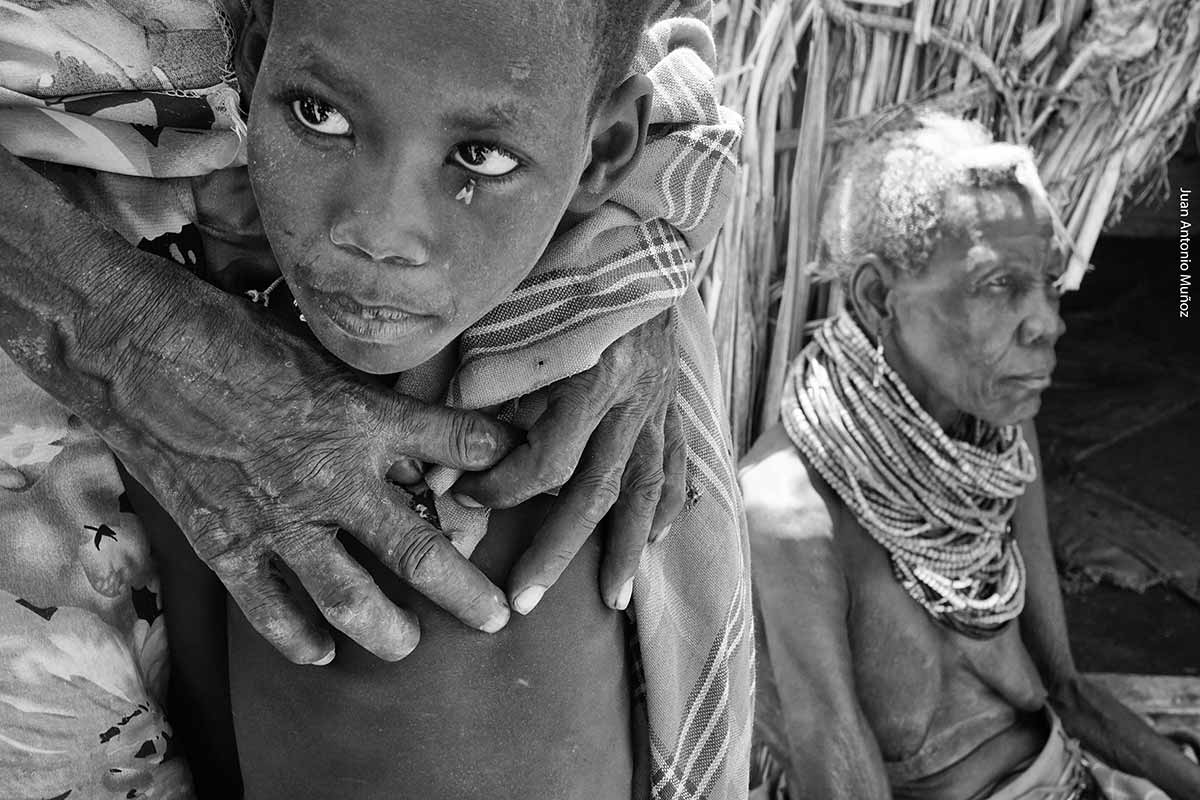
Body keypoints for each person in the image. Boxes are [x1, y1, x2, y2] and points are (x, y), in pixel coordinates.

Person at [0, 0, 751, 798]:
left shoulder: (490, 407)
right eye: (321, 114)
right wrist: (122, 329)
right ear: (256, 66)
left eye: (479, 155)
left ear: (605, 147)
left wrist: (609, 253)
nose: (380, 232)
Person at [742, 114, 1200, 800]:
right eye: (999, 286)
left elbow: (1066, 692)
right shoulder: (789, 515)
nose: (1049, 321)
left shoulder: (998, 443)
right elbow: (838, 769)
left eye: (1047, 282)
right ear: (877, 299)